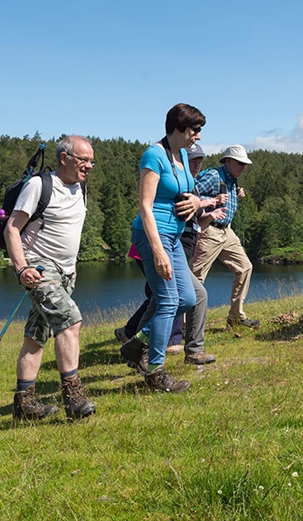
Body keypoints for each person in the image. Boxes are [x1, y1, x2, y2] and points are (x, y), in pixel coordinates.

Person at [4, 135, 97, 420]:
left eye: (92, 161)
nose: (89, 166)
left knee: (36, 336)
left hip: (67, 273)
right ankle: (73, 396)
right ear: (64, 158)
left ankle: (24, 403)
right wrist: (21, 268)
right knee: (71, 321)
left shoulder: (81, 187)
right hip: (40, 269)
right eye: (84, 160)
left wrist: (73, 265)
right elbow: (12, 228)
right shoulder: (39, 185)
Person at [119, 103, 207, 392]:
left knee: (188, 298)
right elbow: (145, 206)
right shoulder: (154, 155)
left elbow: (187, 191)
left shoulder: (180, 154)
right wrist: (157, 251)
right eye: (195, 130)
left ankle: (138, 343)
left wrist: (196, 202)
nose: (198, 136)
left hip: (175, 236)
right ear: (179, 127)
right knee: (168, 301)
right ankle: (155, 373)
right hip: (153, 235)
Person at [117, 142, 225, 367]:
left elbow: (195, 219)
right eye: (192, 161)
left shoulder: (188, 182)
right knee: (166, 300)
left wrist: (205, 209)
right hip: (161, 241)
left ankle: (136, 343)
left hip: (177, 243)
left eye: (198, 162)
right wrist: (202, 203)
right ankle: (151, 360)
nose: (195, 165)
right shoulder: (164, 168)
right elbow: (153, 208)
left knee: (183, 298)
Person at [191, 144, 258, 333]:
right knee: (196, 278)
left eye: (244, 164)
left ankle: (236, 318)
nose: (242, 168)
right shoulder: (214, 176)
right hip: (210, 231)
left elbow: (225, 197)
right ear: (228, 161)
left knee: (245, 267)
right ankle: (185, 326)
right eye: (239, 163)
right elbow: (191, 193)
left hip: (226, 231)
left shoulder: (232, 179)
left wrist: (236, 195)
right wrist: (213, 201)